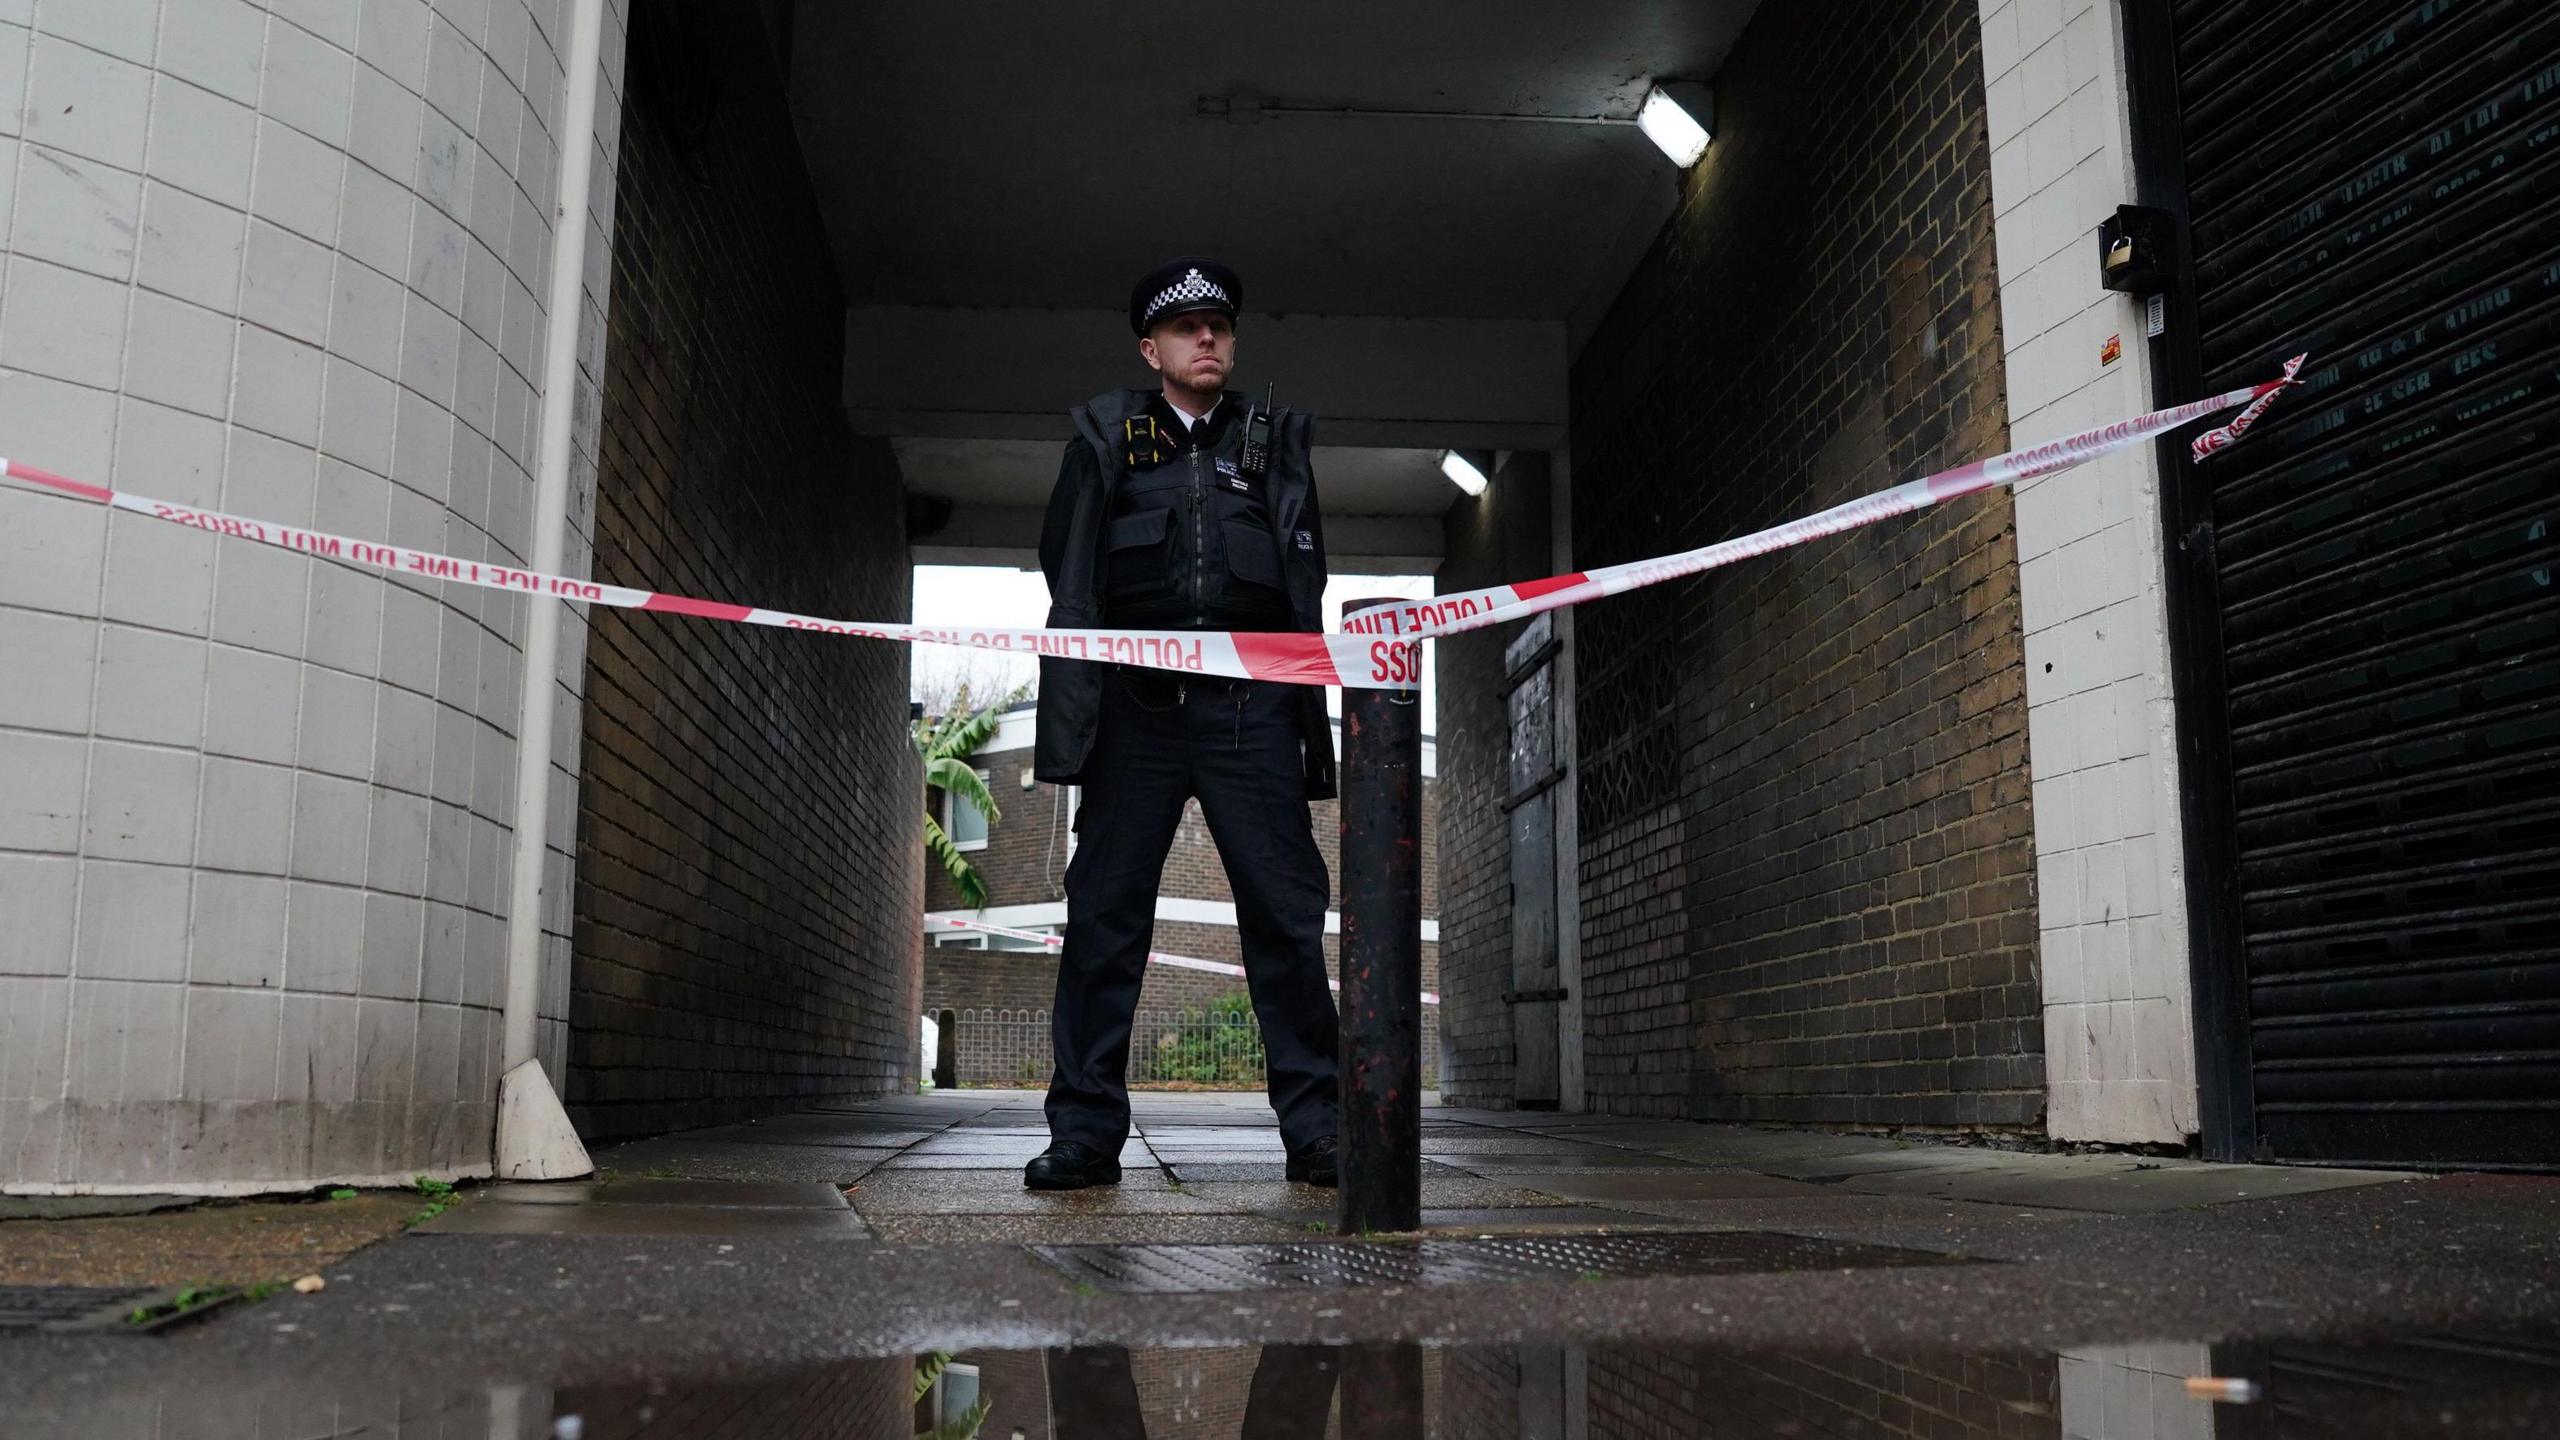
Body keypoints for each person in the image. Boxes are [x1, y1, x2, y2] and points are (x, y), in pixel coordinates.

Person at [1025, 258, 1340, 1191]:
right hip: (1137, 717)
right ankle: (1084, 1135)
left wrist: (1303, 714)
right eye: (1187, 327)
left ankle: (1319, 1131)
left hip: (1252, 715)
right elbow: (1068, 572)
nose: (1208, 339)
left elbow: (1302, 588)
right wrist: (1075, 718)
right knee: (1103, 922)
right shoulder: (1104, 441)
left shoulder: (1273, 443)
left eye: (1220, 327)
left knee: (1286, 920)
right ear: (1150, 347)